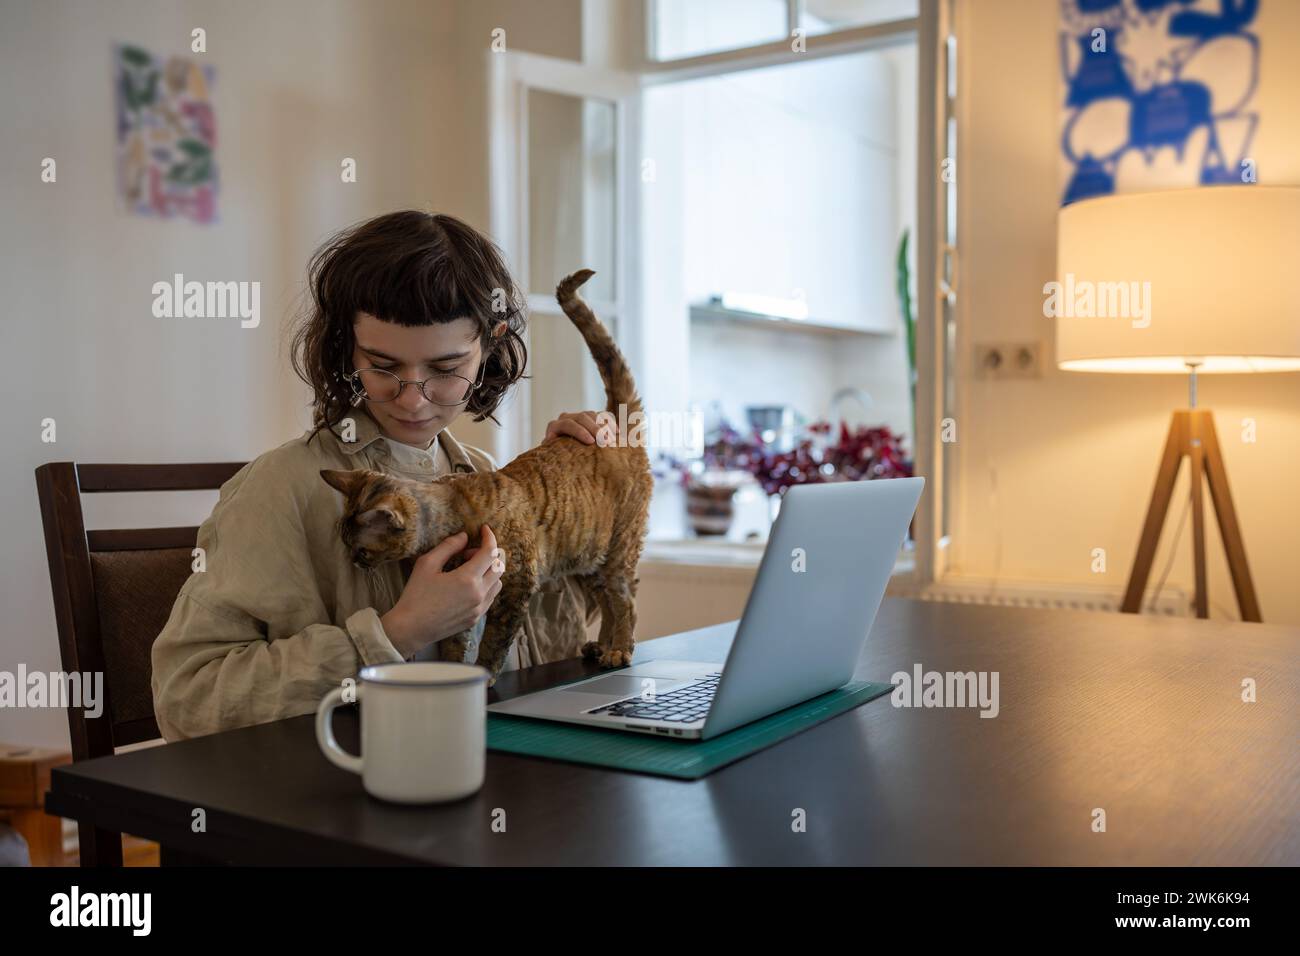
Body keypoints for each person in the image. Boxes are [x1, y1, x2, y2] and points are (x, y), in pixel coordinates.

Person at [151, 211, 612, 741]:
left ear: (491, 344)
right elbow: (187, 700)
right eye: (383, 364)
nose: (413, 397)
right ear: (345, 345)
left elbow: (550, 648)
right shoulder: (279, 489)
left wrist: (581, 490)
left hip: (500, 773)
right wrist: (398, 631)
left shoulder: (488, 479)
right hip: (344, 797)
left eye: (445, 369)